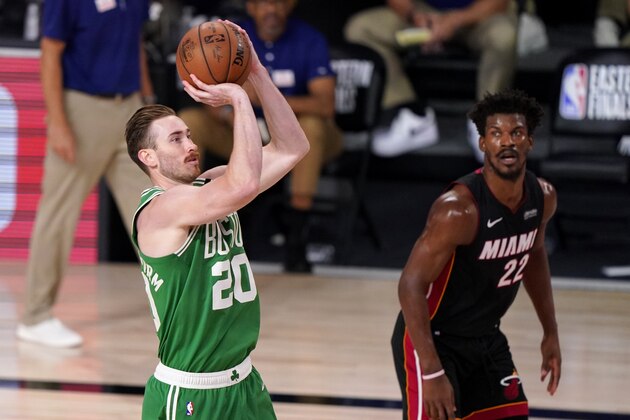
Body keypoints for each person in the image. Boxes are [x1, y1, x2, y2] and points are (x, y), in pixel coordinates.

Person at [125, 20, 309, 419]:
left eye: (189, 135)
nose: (192, 145)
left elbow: (293, 147)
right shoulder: (160, 210)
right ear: (148, 158)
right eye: (176, 140)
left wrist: (256, 74)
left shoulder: (208, 186)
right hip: (189, 394)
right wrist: (239, 101)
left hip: (244, 384)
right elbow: (242, 187)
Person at [391, 89, 561, 419]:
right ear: (483, 144)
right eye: (496, 134)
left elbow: (534, 255)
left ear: (530, 142)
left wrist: (550, 331)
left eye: (517, 133)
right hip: (432, 338)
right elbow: (410, 284)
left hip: (486, 335)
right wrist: (431, 370)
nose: (507, 142)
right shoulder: (459, 211)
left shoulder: (543, 198)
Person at [16, 0, 155, 348]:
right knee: (58, 215)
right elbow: (50, 53)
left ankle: (177, 309)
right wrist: (59, 122)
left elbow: (135, 44)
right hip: (82, 110)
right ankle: (36, 316)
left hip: (130, 109)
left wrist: (150, 103)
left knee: (154, 212)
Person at [178, 0, 343, 273]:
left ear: (290, 6)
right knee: (190, 120)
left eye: (279, 4)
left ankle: (297, 239)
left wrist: (267, 98)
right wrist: (228, 113)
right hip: (245, 128)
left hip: (294, 133)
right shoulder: (231, 39)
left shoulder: (309, 39)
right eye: (264, 4)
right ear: (251, 8)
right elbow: (207, 98)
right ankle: (187, 219)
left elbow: (325, 105)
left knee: (311, 127)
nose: (272, 10)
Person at [344, 0, 518, 161]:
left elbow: (499, 2)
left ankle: (488, 121)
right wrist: (414, 16)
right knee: (360, 29)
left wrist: (454, 20)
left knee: (504, 35)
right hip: (423, 14)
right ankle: (413, 115)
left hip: (476, 15)